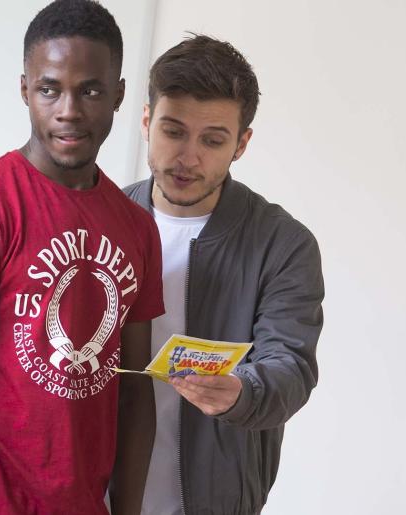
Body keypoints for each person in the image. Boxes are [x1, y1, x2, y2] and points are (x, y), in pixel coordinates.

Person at [0, 1, 163, 514]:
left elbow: (135, 393)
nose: (69, 109)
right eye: (49, 89)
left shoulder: (136, 228)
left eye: (90, 90)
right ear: (25, 90)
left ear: (119, 96)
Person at [124, 34, 325, 515]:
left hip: (216, 501)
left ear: (242, 144)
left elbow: (291, 366)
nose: (188, 157)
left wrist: (243, 392)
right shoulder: (101, 220)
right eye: (173, 131)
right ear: (147, 121)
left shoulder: (282, 243)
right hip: (98, 495)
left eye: (213, 140)